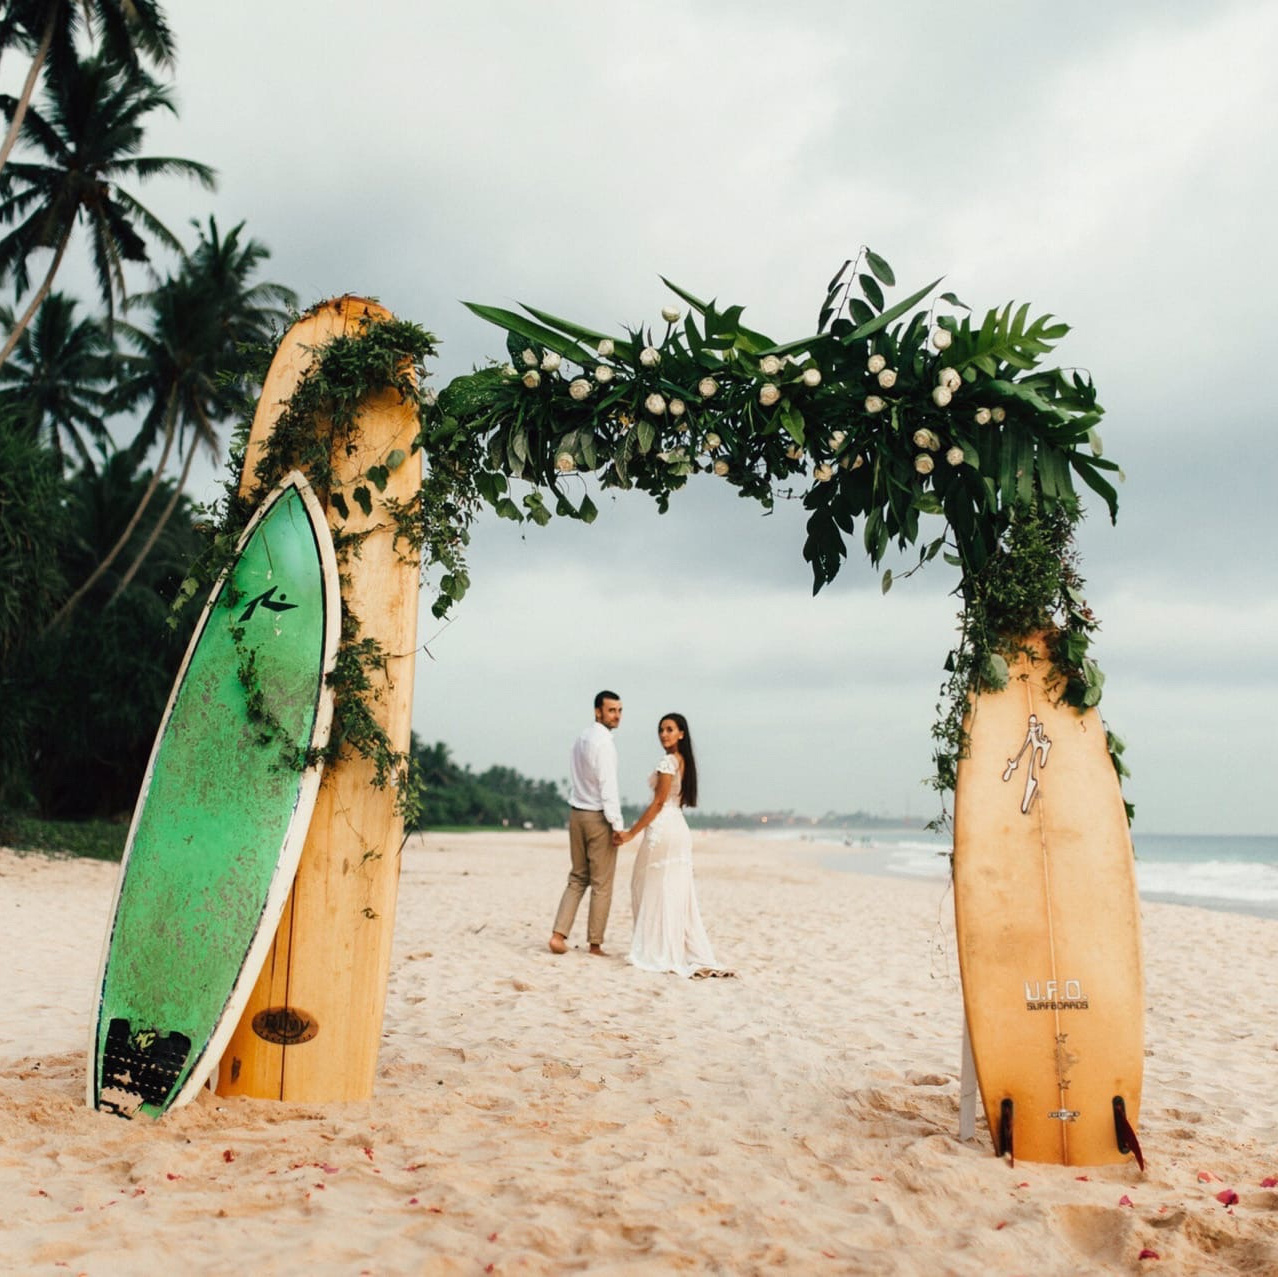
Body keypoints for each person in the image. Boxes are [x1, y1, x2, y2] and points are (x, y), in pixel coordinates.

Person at [618, 712, 722, 977]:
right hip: (678, 828)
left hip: (664, 828)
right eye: (661, 730)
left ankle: (658, 948)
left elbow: (658, 803)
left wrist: (631, 833)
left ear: (681, 733)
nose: (664, 734)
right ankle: (669, 945)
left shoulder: (668, 762)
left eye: (669, 729)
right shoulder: (685, 762)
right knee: (673, 889)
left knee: (651, 885)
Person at [549, 690, 624, 956]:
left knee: (578, 877)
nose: (617, 716)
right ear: (597, 711)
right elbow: (608, 787)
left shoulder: (581, 738)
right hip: (597, 817)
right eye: (611, 710)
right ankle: (595, 944)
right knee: (602, 883)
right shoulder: (604, 743)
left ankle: (558, 935)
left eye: (619, 711)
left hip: (577, 813)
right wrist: (617, 825)